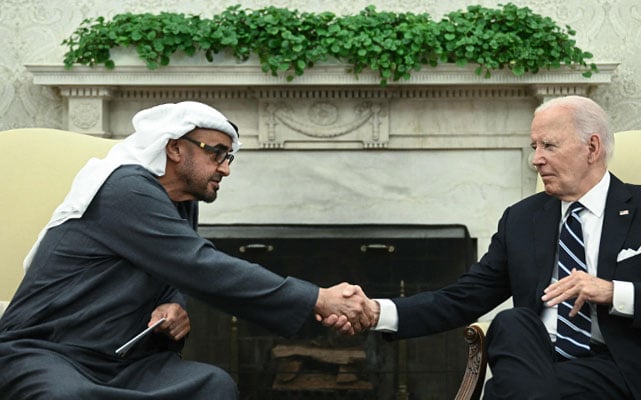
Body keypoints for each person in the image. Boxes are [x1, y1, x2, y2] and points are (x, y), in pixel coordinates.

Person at [324, 95, 641, 399]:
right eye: (534, 146)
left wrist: (613, 292)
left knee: (505, 391)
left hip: (625, 367)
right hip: (538, 363)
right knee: (513, 321)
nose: (536, 159)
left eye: (549, 146)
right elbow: (463, 298)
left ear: (592, 147)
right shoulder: (522, 219)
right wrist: (376, 312)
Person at [0, 101, 375, 400]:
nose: (225, 169)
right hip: (47, 352)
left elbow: (176, 269)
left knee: (212, 384)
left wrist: (174, 304)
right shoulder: (125, 189)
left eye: (228, 157)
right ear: (175, 148)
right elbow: (201, 266)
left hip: (123, 362)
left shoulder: (181, 201)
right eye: (216, 154)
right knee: (67, 395)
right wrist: (317, 298)